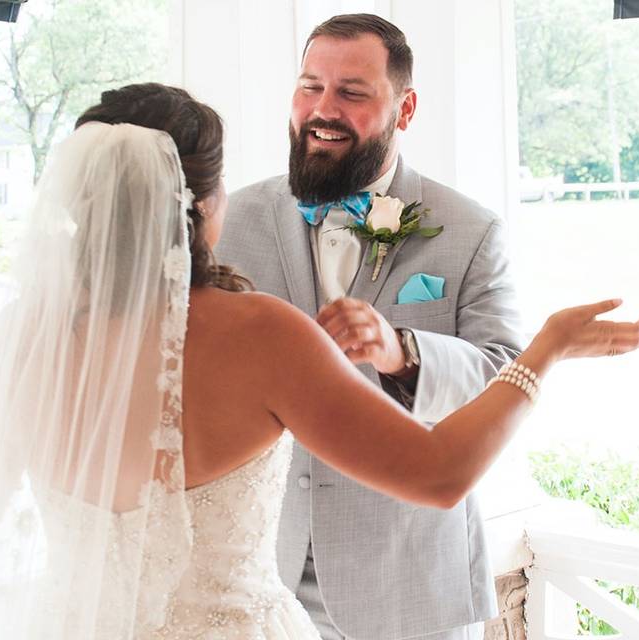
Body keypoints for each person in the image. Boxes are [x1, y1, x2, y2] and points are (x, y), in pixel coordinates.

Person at [0, 83, 639, 640]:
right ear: (205, 205)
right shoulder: (259, 336)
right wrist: (542, 354)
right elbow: (438, 474)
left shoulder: (17, 339)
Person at [217, 13, 521, 640]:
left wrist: (403, 353)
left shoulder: (472, 230)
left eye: (352, 92)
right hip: (256, 578)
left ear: (404, 109)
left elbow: (506, 376)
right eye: (310, 86)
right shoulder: (230, 222)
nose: (323, 109)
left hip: (405, 584)